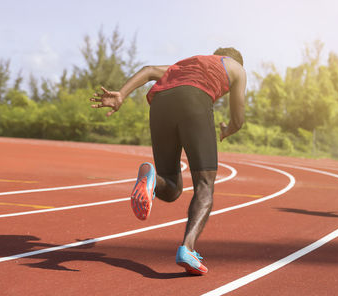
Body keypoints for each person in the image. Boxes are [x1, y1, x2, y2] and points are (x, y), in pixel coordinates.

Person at [89, 47, 246, 275]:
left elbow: (149, 70)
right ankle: (188, 249)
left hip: (160, 103)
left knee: (172, 188)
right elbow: (238, 118)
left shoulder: (189, 63)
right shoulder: (236, 67)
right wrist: (228, 129)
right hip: (194, 99)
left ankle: (153, 180)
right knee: (205, 185)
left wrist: (121, 94)